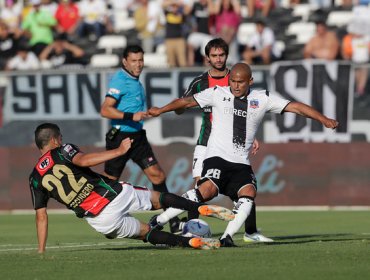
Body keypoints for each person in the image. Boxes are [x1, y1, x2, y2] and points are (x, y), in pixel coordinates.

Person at [148, 62, 339, 246]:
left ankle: (227, 238)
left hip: (241, 162)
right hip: (217, 157)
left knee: (249, 192)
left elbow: (295, 106)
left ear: (250, 81)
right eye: (233, 81)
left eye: (240, 82)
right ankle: (160, 219)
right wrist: (161, 110)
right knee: (207, 191)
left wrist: (323, 119)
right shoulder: (217, 93)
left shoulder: (262, 98)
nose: (235, 85)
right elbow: (187, 101)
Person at [29, 123, 235, 253]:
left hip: (99, 220)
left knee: (146, 233)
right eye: (61, 138)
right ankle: (198, 208)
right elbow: (83, 160)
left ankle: (187, 243)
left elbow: (41, 216)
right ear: (55, 140)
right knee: (159, 198)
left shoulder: (35, 178)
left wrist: (41, 250)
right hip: (114, 195)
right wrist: (118, 150)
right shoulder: (63, 150)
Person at [169, 38, 269, 243]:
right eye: (214, 55)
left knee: (245, 188)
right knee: (201, 188)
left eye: (221, 55)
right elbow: (182, 105)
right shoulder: (199, 83)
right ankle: (191, 230)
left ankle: (250, 232)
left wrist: (252, 136)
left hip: (234, 142)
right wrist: (179, 106)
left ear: (226, 56)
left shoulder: (236, 77)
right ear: (207, 58)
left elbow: (248, 110)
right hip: (206, 142)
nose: (218, 59)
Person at [100, 45, 182, 233]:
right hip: (120, 137)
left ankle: (172, 221)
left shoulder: (134, 79)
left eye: (141, 60)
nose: (138, 65)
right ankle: (98, 216)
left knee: (158, 176)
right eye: (134, 61)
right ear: (124, 62)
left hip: (137, 136)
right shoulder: (120, 80)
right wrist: (131, 116)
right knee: (108, 184)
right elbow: (105, 109)